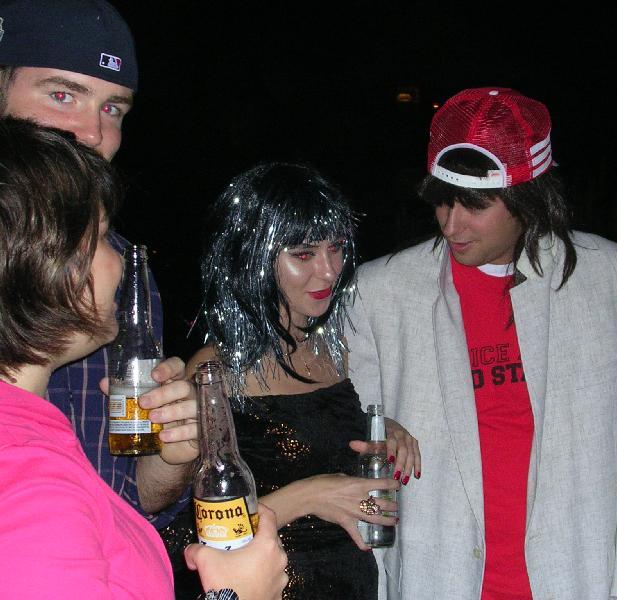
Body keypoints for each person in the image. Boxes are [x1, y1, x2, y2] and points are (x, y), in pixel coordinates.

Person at [346, 87, 617, 600]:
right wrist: (371, 428)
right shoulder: (380, 291)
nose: (450, 223)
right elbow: (344, 431)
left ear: (529, 197)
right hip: (435, 580)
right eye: (442, 200)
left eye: (475, 204)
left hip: (576, 580)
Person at [0, 116, 288, 599]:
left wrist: (168, 456)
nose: (118, 259)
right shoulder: (26, 471)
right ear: (42, 259)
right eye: (101, 237)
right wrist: (238, 594)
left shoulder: (30, 428)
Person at [161, 162, 420, 600]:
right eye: (303, 254)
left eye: (337, 248)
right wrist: (309, 496)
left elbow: (317, 444)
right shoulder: (214, 371)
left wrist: (378, 429)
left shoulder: (332, 350)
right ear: (253, 258)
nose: (329, 270)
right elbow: (184, 538)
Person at [0, 0, 198, 528]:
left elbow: (129, 498)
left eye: (113, 109)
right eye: (62, 95)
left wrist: (171, 452)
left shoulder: (120, 270)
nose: (92, 133)